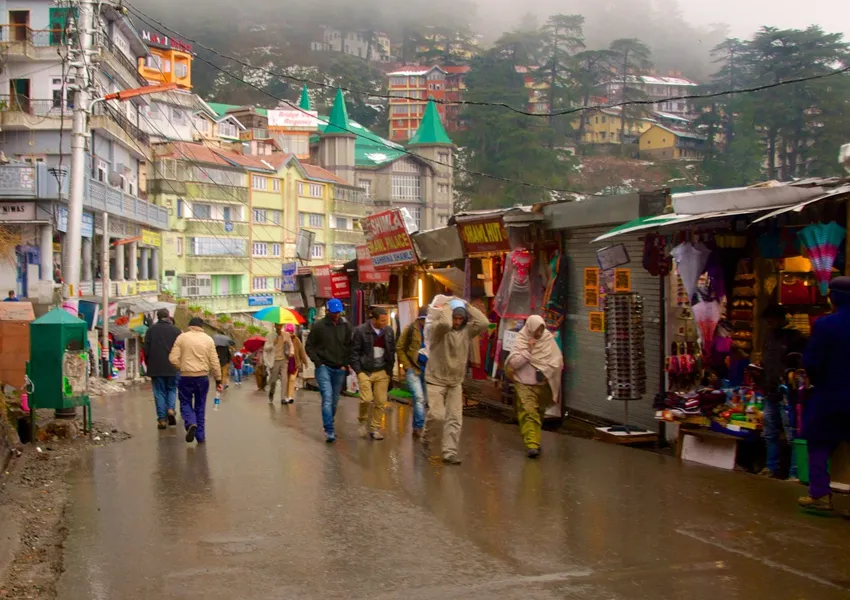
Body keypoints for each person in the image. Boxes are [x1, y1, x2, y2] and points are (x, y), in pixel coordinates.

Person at [799, 277, 850, 511]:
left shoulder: (825, 325)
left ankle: (819, 494)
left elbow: (812, 361)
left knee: (818, 443)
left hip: (829, 395)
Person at [424, 298, 489, 464]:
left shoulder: (467, 332)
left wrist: (466, 305)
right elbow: (445, 323)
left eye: (461, 318)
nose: (457, 321)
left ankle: (449, 452)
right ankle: (427, 436)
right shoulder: (438, 330)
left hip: (455, 381)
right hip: (436, 379)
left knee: (454, 418)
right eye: (455, 318)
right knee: (437, 416)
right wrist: (448, 305)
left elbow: (483, 322)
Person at [758, 305, 807, 479]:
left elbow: (799, 364)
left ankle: (794, 472)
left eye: (772, 318)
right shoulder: (769, 337)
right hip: (770, 391)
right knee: (770, 432)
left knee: (791, 433)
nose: (769, 322)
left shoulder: (796, 338)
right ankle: (771, 467)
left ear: (780, 318)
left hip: (787, 393)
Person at [505, 315, 563, 458]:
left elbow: (557, 360)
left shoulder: (547, 339)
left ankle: (535, 440)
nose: (539, 333)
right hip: (524, 383)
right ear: (530, 328)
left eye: (541, 329)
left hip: (542, 384)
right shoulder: (522, 339)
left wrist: (547, 370)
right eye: (537, 330)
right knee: (528, 412)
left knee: (538, 412)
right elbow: (513, 364)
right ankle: (532, 444)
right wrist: (529, 351)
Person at [305, 298, 353, 443]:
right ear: (328, 311)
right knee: (327, 396)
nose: (336, 315)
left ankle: (329, 422)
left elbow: (350, 346)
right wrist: (318, 363)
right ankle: (329, 430)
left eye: (338, 312)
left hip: (339, 368)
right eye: (333, 312)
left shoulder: (346, 326)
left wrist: (345, 364)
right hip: (324, 367)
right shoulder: (319, 326)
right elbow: (309, 346)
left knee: (334, 400)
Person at [169, 317, 222, 444]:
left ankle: (191, 422)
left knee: (185, 402)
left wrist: (181, 367)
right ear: (202, 327)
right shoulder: (208, 339)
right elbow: (214, 362)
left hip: (185, 376)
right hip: (202, 377)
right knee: (200, 406)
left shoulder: (182, 338)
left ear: (190, 326)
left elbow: (172, 358)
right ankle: (200, 436)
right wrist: (218, 379)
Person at [351, 307, 396, 440]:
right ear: (374, 319)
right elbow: (354, 352)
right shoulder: (361, 331)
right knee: (366, 399)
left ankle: (375, 428)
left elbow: (391, 351)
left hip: (382, 370)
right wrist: (358, 370)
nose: (384, 323)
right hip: (365, 370)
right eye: (382, 320)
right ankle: (362, 420)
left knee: (380, 401)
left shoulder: (388, 331)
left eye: (386, 320)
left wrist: (389, 370)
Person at [144, 308, 182, 429]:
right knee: (171, 389)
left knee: (159, 392)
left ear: (158, 317)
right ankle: (170, 409)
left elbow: (146, 350)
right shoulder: (176, 331)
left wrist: (149, 362)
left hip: (156, 367)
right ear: (168, 316)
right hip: (172, 366)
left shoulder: (151, 330)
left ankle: (161, 419)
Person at [397, 306, 428, 438]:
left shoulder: (433, 331)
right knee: (419, 397)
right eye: (424, 320)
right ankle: (419, 426)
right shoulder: (410, 329)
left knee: (422, 399)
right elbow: (399, 347)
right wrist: (407, 365)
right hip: (413, 369)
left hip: (428, 370)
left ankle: (417, 426)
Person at [264, 323, 293, 405]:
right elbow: (265, 348)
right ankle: (271, 392)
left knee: (284, 379)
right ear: (274, 326)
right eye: (277, 325)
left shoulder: (286, 335)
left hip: (284, 360)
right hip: (274, 361)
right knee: (273, 381)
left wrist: (291, 352)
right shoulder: (269, 335)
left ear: (282, 326)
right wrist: (273, 343)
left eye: (280, 325)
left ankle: (283, 398)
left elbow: (291, 345)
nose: (278, 327)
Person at [285, 324, 308, 403]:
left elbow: (301, 351)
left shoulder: (296, 340)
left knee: (292, 379)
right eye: (288, 331)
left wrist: (305, 362)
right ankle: (287, 395)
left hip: (295, 363)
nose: (289, 333)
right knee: (287, 380)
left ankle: (290, 396)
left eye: (291, 331)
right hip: (286, 363)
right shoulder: (283, 339)